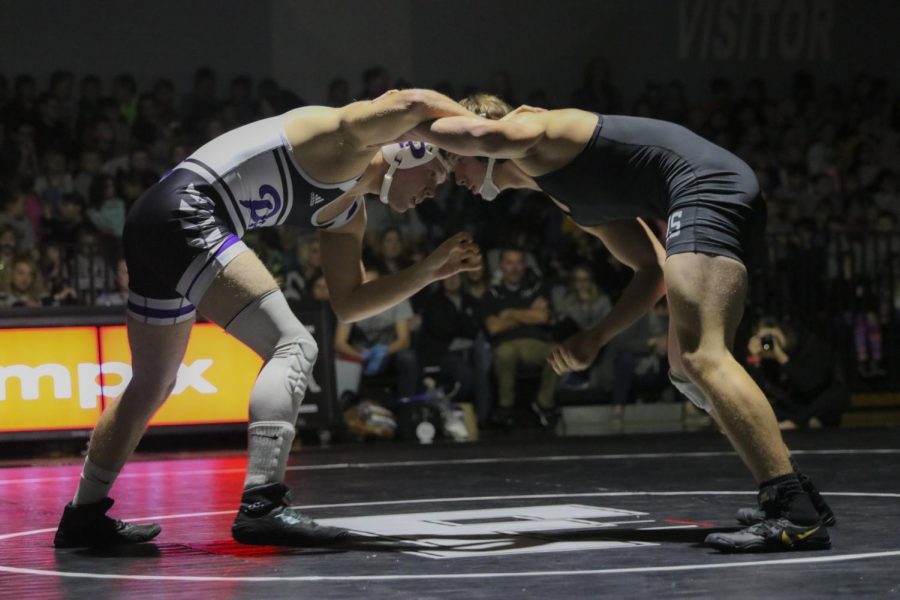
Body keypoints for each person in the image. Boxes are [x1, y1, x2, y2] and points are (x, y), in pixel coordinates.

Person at [54, 88, 481, 549]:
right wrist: (484, 137)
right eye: (436, 173)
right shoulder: (343, 138)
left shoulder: (347, 214)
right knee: (294, 345)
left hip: (156, 221)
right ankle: (264, 504)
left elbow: (350, 303)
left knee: (153, 382)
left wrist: (425, 273)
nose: (434, 190)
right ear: (408, 149)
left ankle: (83, 512)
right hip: (187, 211)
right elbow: (412, 100)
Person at [412, 94, 832, 552]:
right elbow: (651, 272)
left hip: (704, 187)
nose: (453, 175)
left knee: (703, 356)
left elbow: (487, 133)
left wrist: (402, 121)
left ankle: (794, 510)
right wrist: (596, 337)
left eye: (453, 160)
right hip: (714, 189)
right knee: (685, 368)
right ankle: (792, 491)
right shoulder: (571, 199)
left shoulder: (538, 131)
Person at [481, 247, 559, 428]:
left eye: (518, 262)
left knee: (558, 352)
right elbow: (493, 327)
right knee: (505, 352)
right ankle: (505, 408)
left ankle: (543, 403)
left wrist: (509, 314)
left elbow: (544, 317)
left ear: (524, 266)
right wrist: (529, 315)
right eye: (509, 263)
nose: (514, 268)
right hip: (507, 343)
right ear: (501, 265)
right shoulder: (492, 294)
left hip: (536, 344)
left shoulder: (536, 288)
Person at [746, 318, 850, 429]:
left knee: (837, 392)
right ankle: (803, 421)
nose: (770, 343)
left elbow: (808, 384)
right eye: (764, 340)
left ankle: (797, 422)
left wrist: (782, 357)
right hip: (795, 405)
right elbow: (763, 390)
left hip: (819, 402)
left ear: (783, 331)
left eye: (772, 338)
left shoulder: (809, 346)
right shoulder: (767, 358)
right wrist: (756, 360)